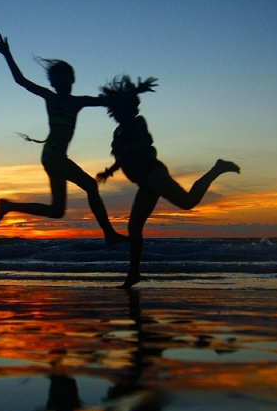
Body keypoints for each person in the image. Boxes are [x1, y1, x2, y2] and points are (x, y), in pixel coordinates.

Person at [0, 32, 154, 246]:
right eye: (56, 81)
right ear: (52, 83)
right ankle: (109, 234)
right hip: (53, 155)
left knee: (57, 210)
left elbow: (107, 100)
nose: (61, 84)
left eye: (65, 79)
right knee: (91, 187)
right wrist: (7, 54)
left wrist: (137, 89)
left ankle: (9, 206)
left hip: (54, 157)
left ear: (72, 80)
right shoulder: (50, 97)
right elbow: (21, 80)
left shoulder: (78, 102)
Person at [96, 75, 240, 288]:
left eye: (123, 109)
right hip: (145, 182)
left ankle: (217, 169)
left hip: (154, 174)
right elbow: (122, 157)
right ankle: (133, 274)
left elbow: (145, 143)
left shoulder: (137, 123)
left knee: (188, 202)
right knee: (134, 227)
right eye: (116, 110)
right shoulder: (119, 131)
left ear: (130, 108)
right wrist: (111, 171)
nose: (119, 113)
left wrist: (126, 150)